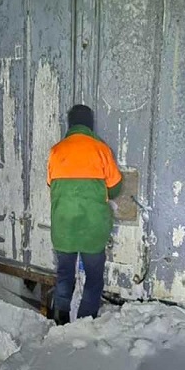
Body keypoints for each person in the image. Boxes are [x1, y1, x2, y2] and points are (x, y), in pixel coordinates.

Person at [46, 104, 122, 325]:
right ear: (90, 124)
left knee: (64, 275)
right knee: (94, 278)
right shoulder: (101, 149)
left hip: (64, 227)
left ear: (70, 124)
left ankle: (60, 318)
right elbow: (115, 188)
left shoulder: (56, 151)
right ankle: (85, 321)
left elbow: (51, 184)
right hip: (93, 228)